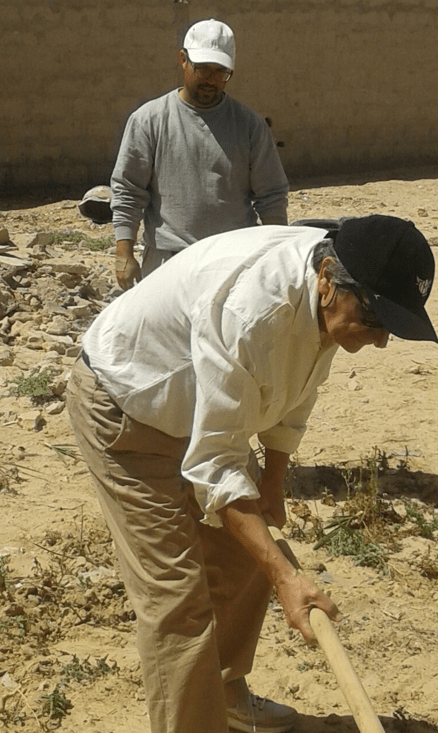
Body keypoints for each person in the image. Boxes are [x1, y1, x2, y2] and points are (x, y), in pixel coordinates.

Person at [66, 214, 437, 733]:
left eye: (390, 329)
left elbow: (296, 389)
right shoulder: (253, 310)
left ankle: (227, 703)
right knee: (177, 600)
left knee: (245, 559)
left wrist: (271, 484)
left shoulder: (324, 284)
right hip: (127, 406)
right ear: (329, 279)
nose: (379, 342)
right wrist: (287, 579)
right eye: (375, 320)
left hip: (204, 406)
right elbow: (214, 466)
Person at [111, 18, 289, 290]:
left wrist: (277, 257)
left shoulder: (249, 125)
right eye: (203, 69)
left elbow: (272, 197)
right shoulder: (149, 120)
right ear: (183, 59)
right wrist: (124, 253)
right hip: (167, 263)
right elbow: (128, 191)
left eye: (221, 72)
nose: (211, 80)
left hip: (232, 264)